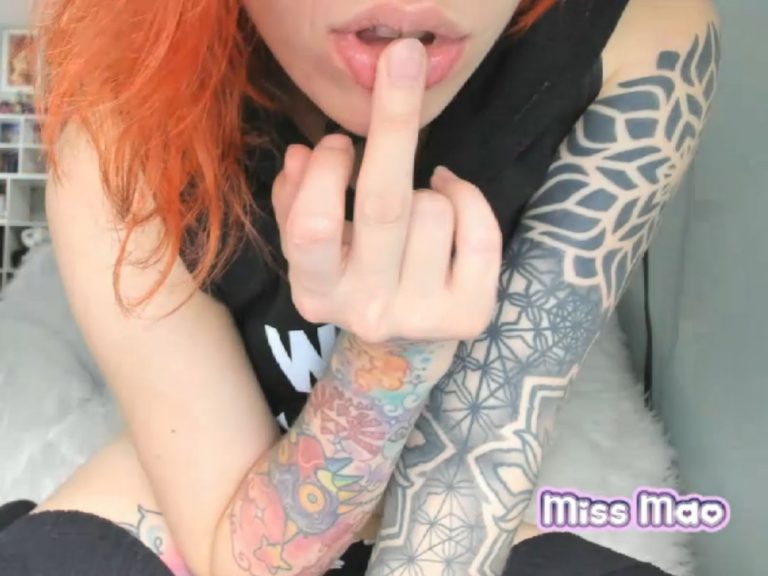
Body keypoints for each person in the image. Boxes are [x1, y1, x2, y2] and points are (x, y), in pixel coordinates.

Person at [0, 0, 719, 574]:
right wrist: (386, 363)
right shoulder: (120, 99)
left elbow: (474, 470)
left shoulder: (637, 38)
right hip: (216, 485)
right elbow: (240, 555)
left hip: (503, 505)